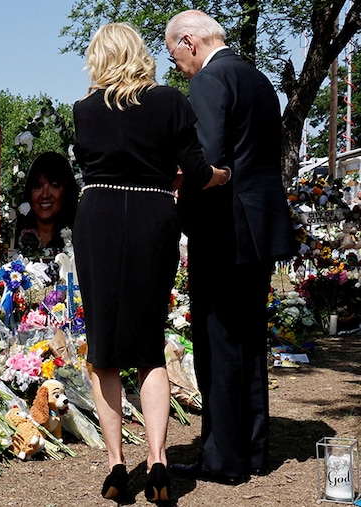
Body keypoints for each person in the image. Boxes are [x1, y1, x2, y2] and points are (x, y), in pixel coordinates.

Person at [71, 23, 230, 502]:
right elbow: (197, 171)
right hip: (152, 216)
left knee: (103, 351)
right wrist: (222, 176)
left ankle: (118, 466)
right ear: (139, 54)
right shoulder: (169, 102)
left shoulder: (84, 110)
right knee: (148, 345)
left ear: (99, 58)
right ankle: (158, 461)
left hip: (96, 218)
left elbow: (94, 161)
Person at [165, 10, 295, 485]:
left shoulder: (209, 81)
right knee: (249, 341)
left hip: (223, 229)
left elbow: (209, 161)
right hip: (259, 229)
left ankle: (223, 459)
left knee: (219, 343)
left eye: (173, 53)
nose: (176, 65)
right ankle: (255, 451)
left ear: (190, 43)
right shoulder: (260, 80)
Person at [15, 151, 79, 256]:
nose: (45, 195)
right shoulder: (13, 238)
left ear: (66, 190)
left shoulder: (80, 238)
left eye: (54, 185)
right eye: (37, 186)